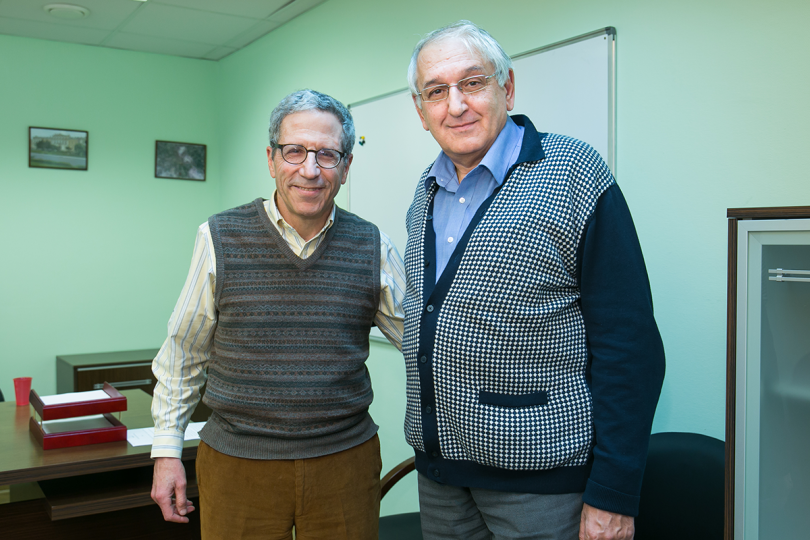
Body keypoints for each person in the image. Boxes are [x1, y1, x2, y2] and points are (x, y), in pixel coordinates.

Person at [402, 21, 666, 540]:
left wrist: (613, 491)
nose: (455, 105)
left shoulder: (573, 171)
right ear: (421, 111)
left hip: (544, 488)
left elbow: (629, 344)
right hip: (440, 481)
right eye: (437, 91)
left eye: (472, 83)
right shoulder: (425, 190)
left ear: (508, 87)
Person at [149, 89, 405, 540]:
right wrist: (167, 451)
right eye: (294, 152)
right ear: (271, 159)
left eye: (327, 155)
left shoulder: (374, 246)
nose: (310, 170)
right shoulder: (219, 236)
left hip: (344, 464)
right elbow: (183, 352)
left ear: (346, 166)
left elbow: (429, 345)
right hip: (238, 464)